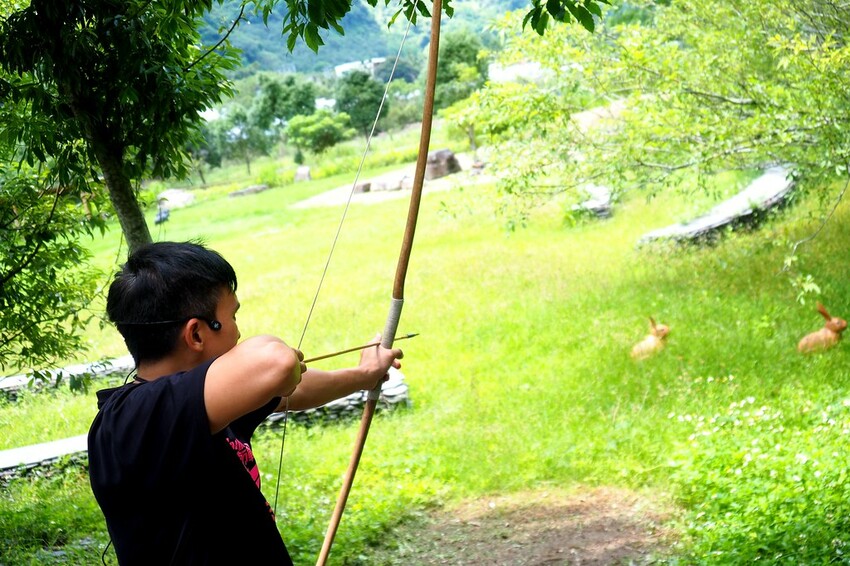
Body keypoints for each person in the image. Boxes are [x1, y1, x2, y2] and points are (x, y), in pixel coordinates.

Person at [88, 241, 402, 564]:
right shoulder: (131, 420)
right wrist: (281, 363)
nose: (238, 332)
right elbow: (275, 364)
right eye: (233, 316)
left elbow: (290, 388)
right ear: (196, 335)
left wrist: (364, 375)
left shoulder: (206, 403)